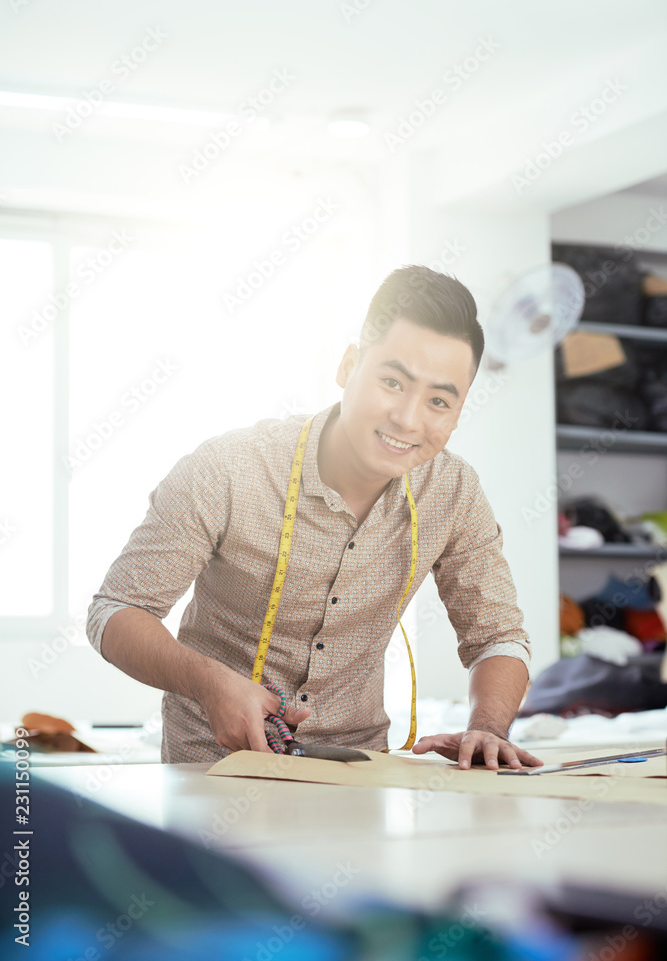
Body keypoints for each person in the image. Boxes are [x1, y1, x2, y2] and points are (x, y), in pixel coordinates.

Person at [86, 265, 543, 771]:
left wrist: (488, 727)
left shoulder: (453, 491)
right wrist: (209, 683)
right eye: (393, 381)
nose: (408, 419)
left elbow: (498, 636)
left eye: (438, 400)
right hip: (215, 763)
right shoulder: (229, 469)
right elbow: (115, 610)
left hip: (361, 769)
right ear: (349, 366)